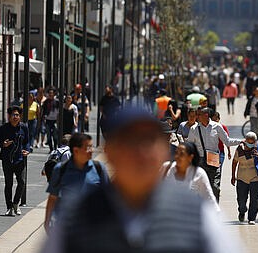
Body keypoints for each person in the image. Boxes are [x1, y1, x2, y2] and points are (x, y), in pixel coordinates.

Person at [43, 108, 240, 253]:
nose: (142, 152)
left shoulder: (198, 216)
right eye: (131, 142)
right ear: (110, 152)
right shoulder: (74, 219)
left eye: (150, 141)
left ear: (164, 150)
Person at [44, 133, 108, 231]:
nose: (92, 150)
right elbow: (52, 197)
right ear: (76, 150)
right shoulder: (60, 169)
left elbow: (109, 196)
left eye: (91, 147)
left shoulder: (99, 168)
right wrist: (47, 221)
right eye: (87, 147)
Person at [187, 107, 244, 202]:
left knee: (215, 187)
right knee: (200, 188)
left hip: (214, 160)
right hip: (200, 160)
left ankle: (214, 208)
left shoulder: (217, 127)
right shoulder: (194, 129)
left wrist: (241, 141)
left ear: (206, 115)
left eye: (199, 114)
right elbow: (190, 146)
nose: (197, 117)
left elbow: (227, 141)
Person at [163, 142, 220, 212]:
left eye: (182, 154)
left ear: (190, 157)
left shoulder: (199, 173)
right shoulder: (167, 168)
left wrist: (216, 215)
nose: (177, 156)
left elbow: (209, 198)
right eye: (176, 153)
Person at [0, 106, 30, 216]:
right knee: (8, 184)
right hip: (7, 160)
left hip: (20, 160)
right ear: (9, 116)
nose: (15, 117)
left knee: (21, 182)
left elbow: (27, 142)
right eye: (13, 115)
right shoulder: (3, 128)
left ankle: (16, 203)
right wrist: (3, 144)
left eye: (17, 115)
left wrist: (27, 150)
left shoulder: (24, 128)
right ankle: (9, 207)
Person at [231, 132, 258, 225]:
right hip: (242, 177)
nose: (250, 144)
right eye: (248, 142)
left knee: (255, 199)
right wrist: (233, 176)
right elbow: (235, 162)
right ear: (245, 140)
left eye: (252, 142)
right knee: (241, 199)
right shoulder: (240, 149)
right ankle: (242, 210)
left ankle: (252, 218)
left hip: (255, 177)